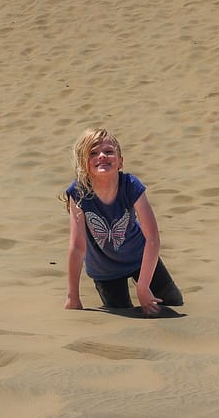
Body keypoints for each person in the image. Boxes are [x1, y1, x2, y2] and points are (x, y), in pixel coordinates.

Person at [61, 127, 183, 315]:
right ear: (83, 164)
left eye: (108, 151)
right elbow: (77, 247)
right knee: (122, 314)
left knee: (173, 302)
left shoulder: (130, 186)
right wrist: (73, 297)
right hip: (104, 269)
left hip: (139, 257)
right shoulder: (78, 193)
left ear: (120, 162)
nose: (102, 156)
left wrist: (143, 287)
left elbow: (152, 238)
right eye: (93, 153)